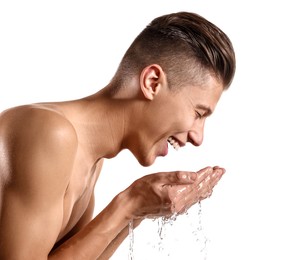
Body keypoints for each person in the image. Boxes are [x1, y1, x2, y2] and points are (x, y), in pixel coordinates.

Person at [0, 11, 235, 259]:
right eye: (199, 113)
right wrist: (129, 203)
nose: (198, 137)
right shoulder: (49, 132)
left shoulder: (90, 160)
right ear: (152, 82)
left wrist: (139, 210)